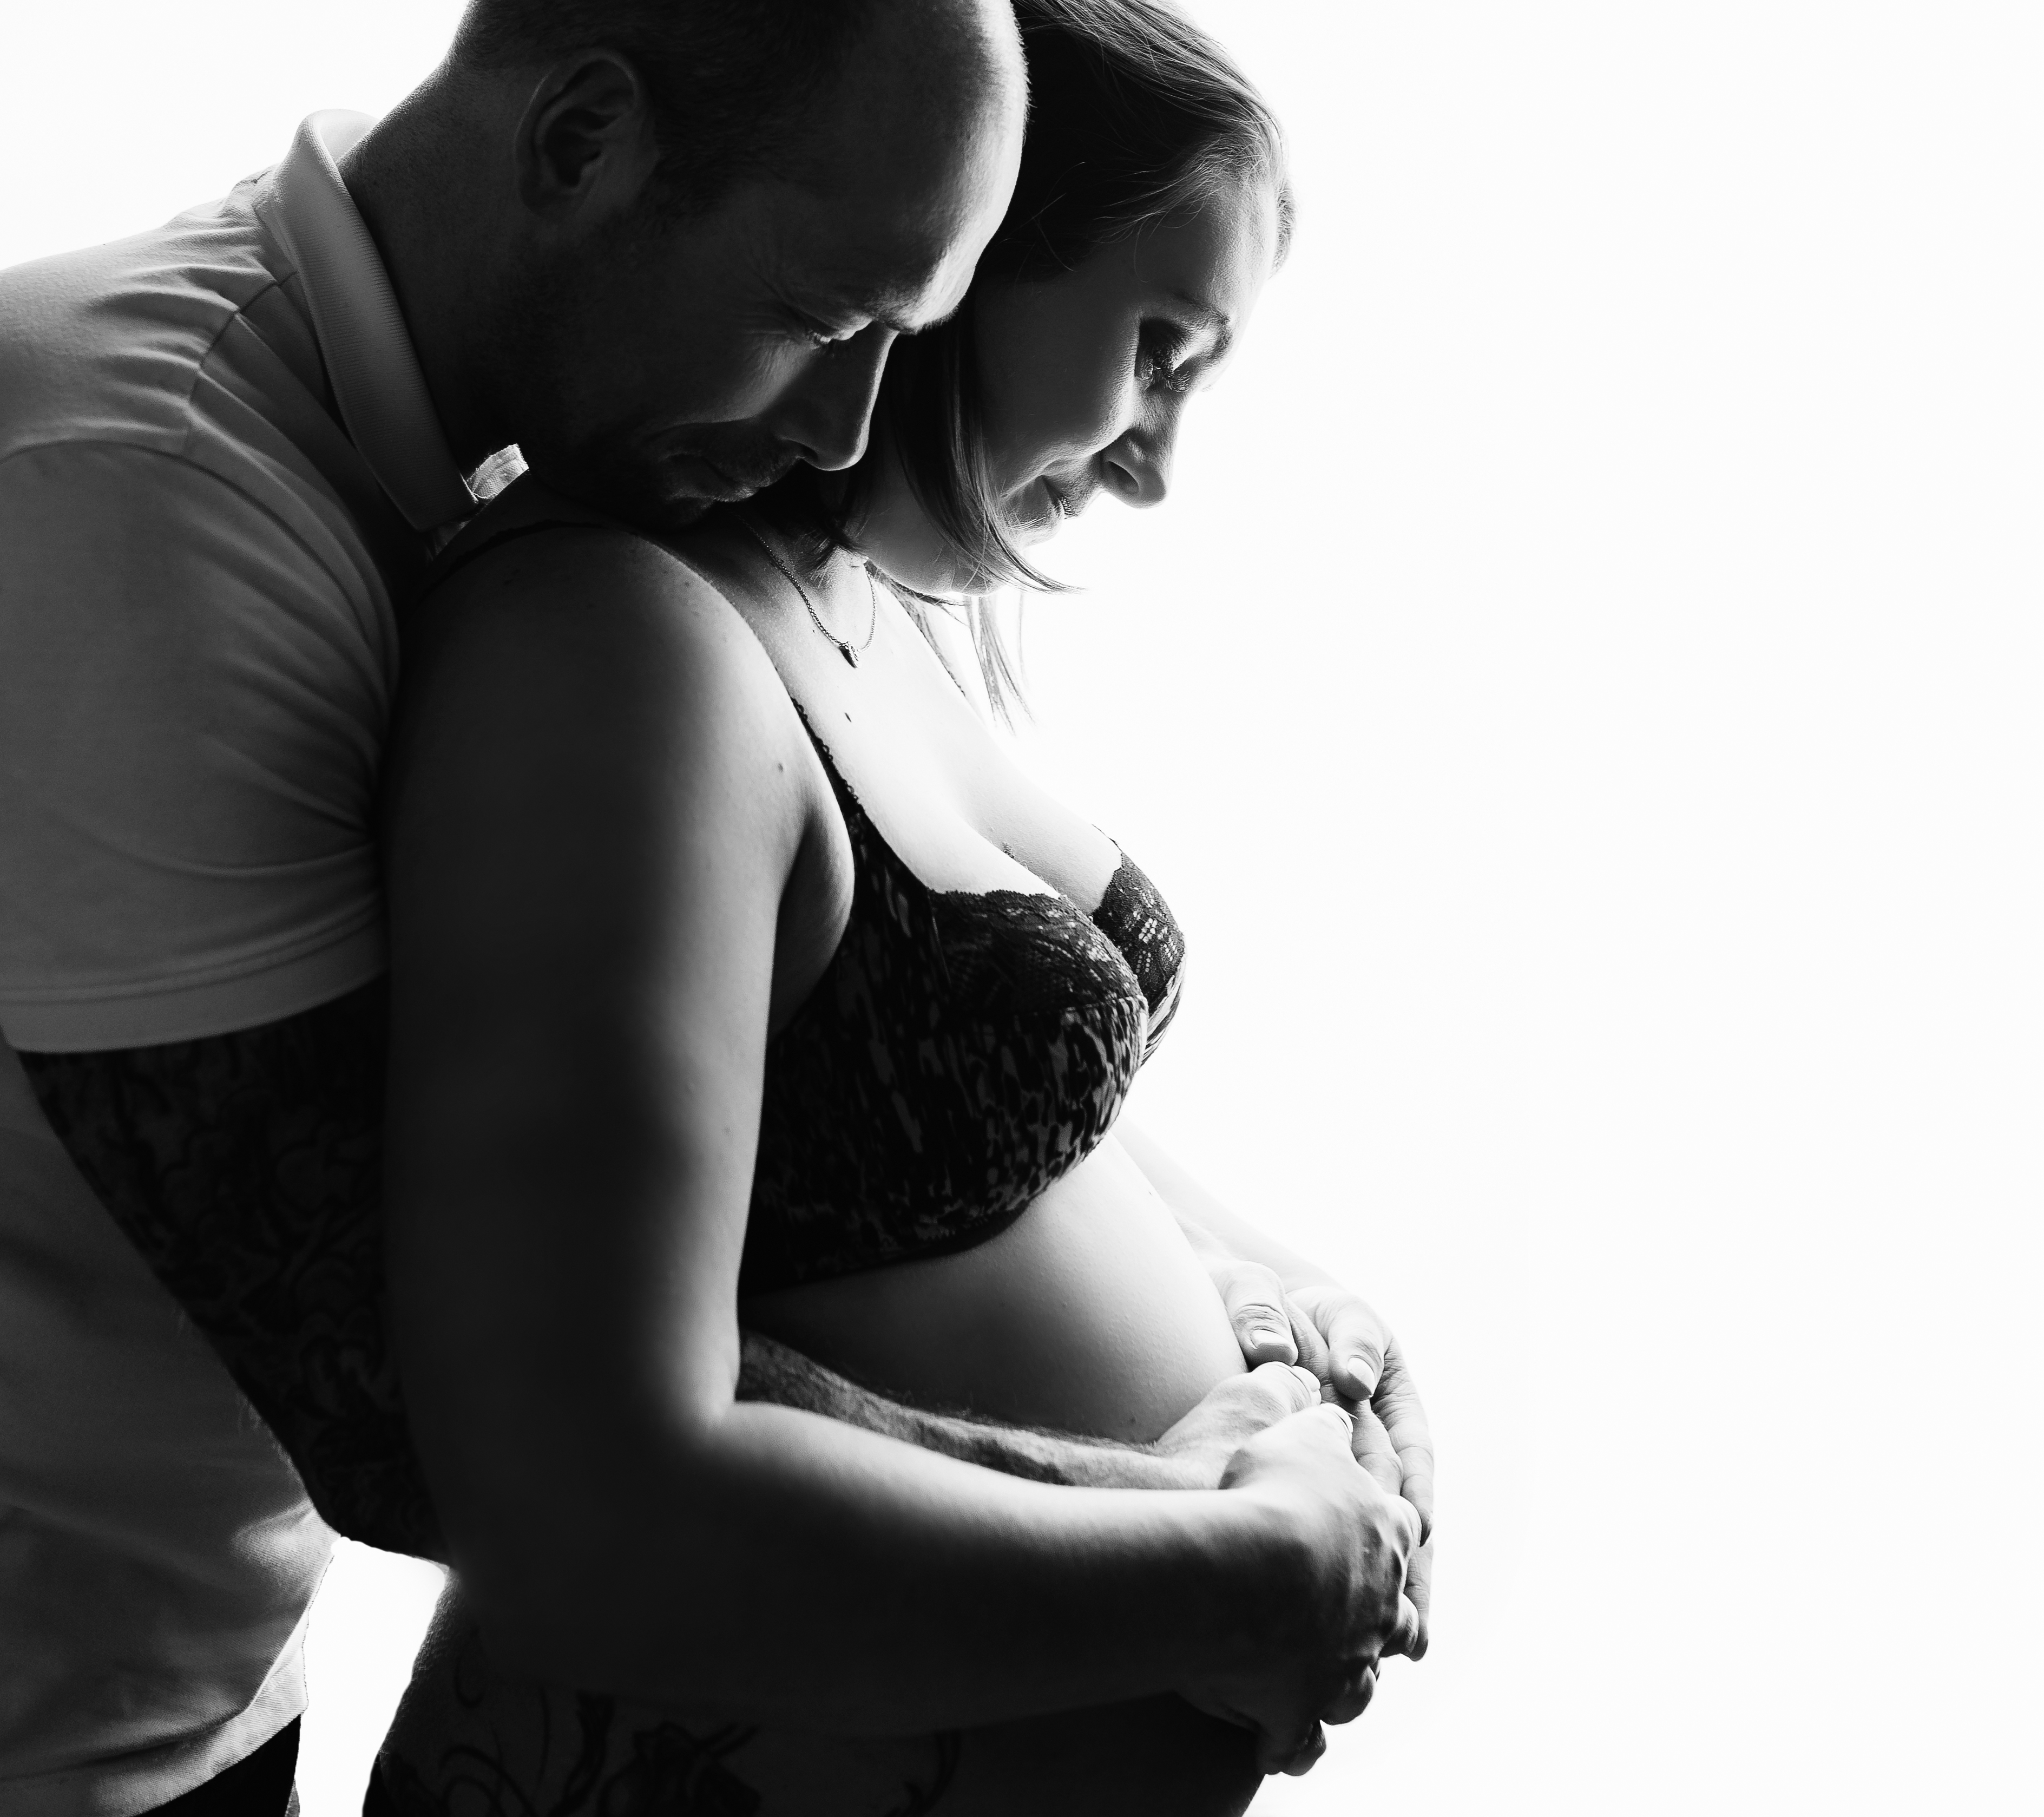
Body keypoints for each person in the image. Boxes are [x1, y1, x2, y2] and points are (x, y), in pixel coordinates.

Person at [365, 3, 1427, 1812]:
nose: (1157, 460)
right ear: (968, 237)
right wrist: (1245, 1561)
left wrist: (1300, 1311)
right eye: (1157, 350)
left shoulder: (869, 609)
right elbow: (589, 1485)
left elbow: (973, 1130)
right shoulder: (618, 646)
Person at [0, 2, 1028, 1807]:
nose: (847, 428)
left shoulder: (438, 463)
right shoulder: (139, 492)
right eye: (822, 321)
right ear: (579, 144)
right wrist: (1195, 1530)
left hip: (181, 1692)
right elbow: (446, 1408)